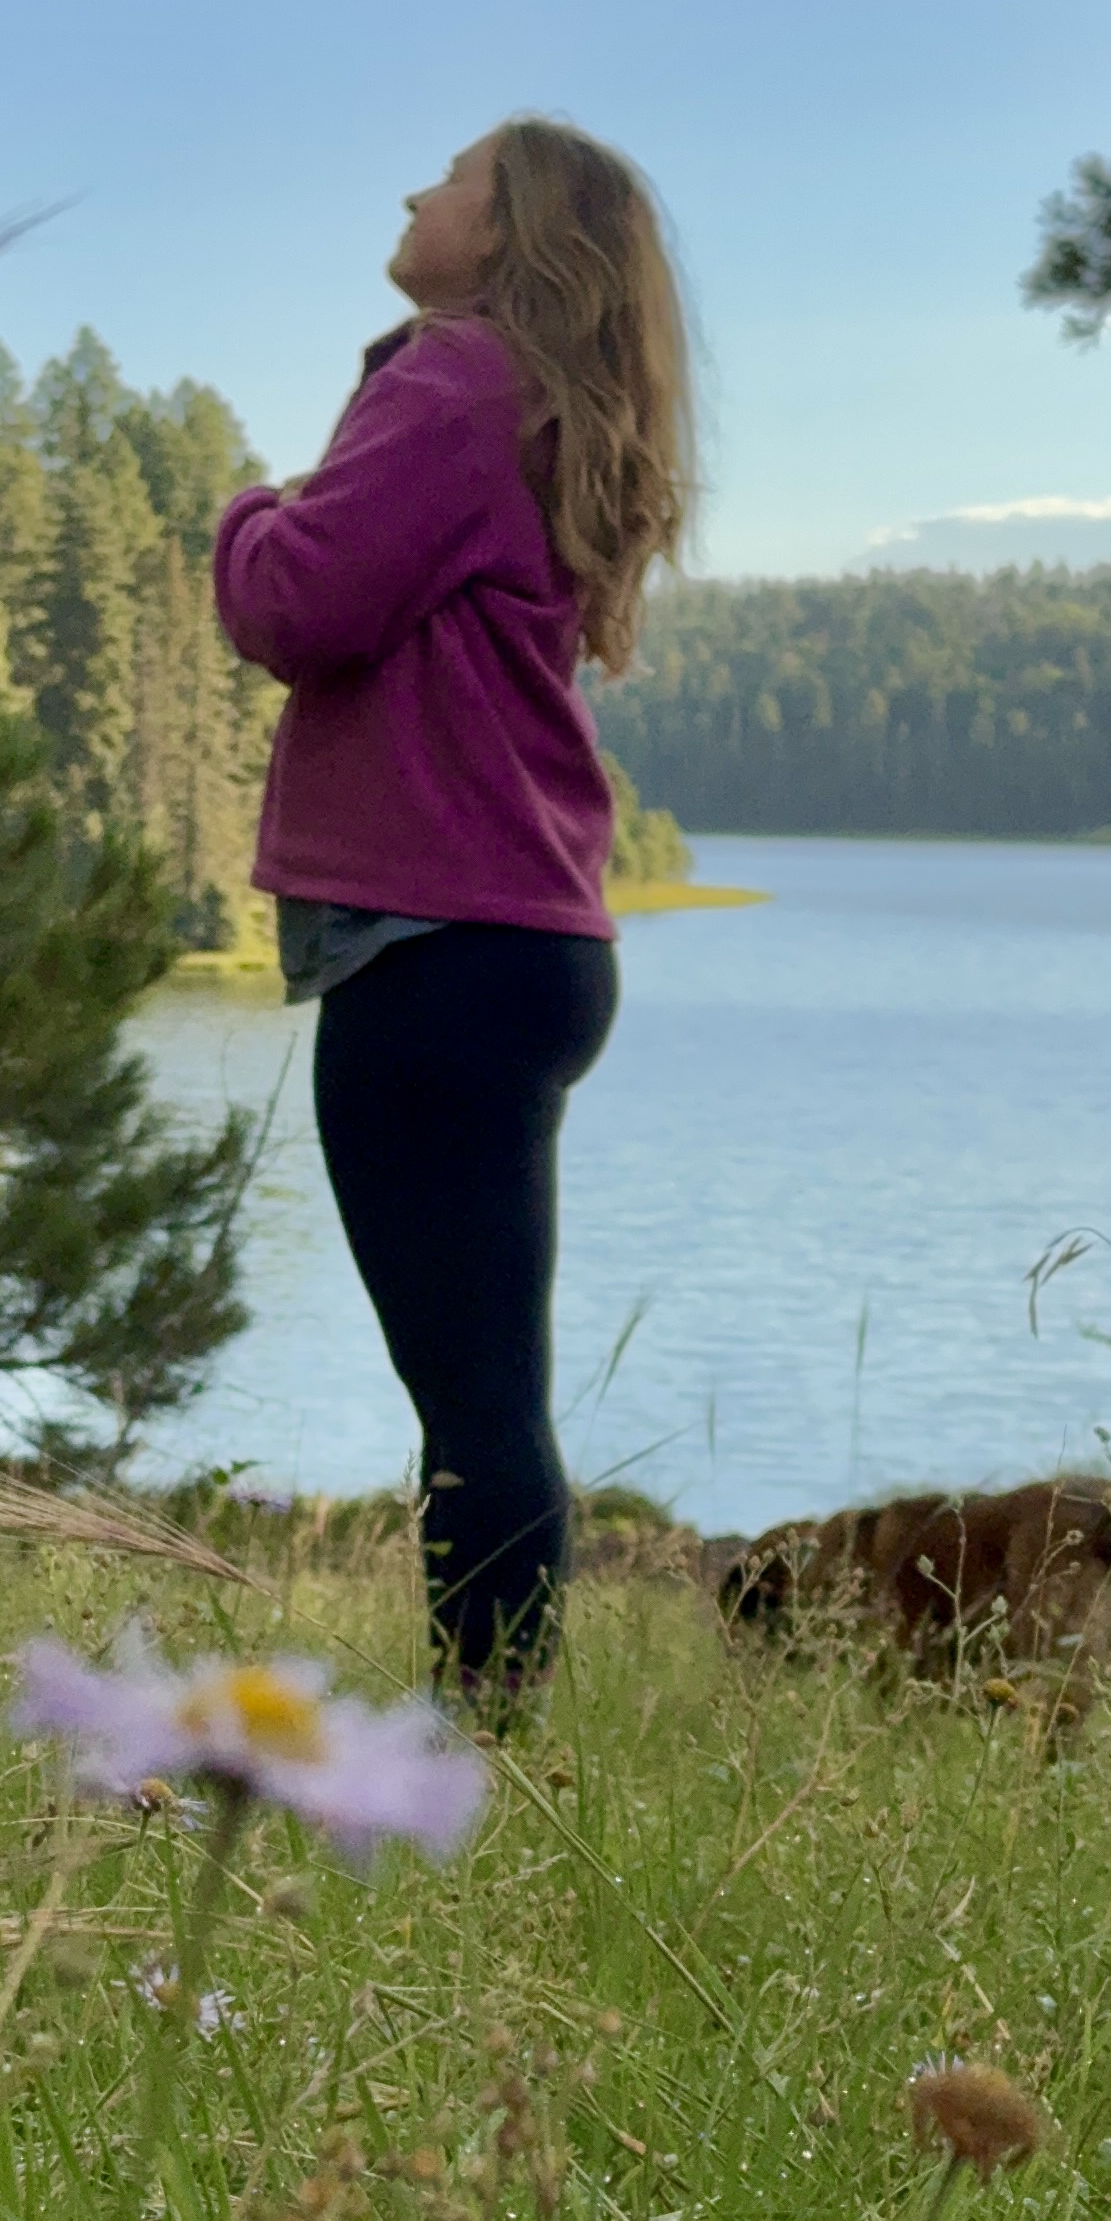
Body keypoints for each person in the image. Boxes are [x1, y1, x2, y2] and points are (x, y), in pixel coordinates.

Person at [213, 118, 695, 1707]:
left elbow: (296, 602)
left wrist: (241, 510)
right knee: (490, 1392)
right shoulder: (537, 405)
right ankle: (499, 1729)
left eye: (450, 176)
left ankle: (488, 1744)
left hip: (438, 944)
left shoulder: (458, 382)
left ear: (506, 233)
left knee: (473, 1403)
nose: (416, 191)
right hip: (526, 944)